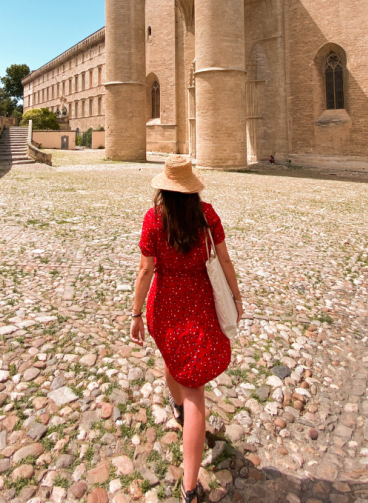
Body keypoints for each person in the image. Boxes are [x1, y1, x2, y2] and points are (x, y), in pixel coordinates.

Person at [131, 155, 243, 503]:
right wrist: (237, 299)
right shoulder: (206, 215)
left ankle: (179, 411)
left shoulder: (154, 218)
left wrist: (135, 314)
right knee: (194, 389)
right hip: (199, 307)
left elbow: (146, 271)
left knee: (174, 363)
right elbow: (224, 260)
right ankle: (190, 489)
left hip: (164, 308)